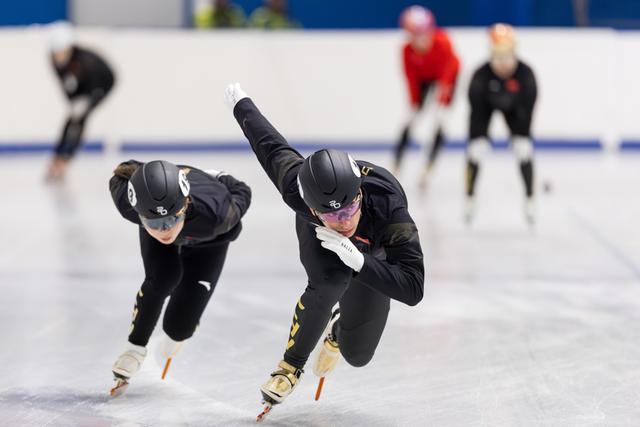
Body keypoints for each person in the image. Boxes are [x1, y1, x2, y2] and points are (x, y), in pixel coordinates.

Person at [224, 83, 424, 420]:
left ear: (360, 195)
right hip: (320, 240)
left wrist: (360, 261)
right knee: (330, 281)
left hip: (373, 251)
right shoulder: (296, 188)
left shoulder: (390, 209)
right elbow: (269, 145)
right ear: (312, 208)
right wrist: (241, 104)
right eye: (332, 215)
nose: (343, 222)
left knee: (358, 355)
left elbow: (413, 289)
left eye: (349, 210)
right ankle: (289, 368)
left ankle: (337, 328)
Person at [108, 159, 251, 396]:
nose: (164, 230)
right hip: (175, 213)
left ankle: (180, 331)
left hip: (208, 241)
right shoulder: (129, 203)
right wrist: (145, 175)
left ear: (185, 204)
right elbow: (122, 172)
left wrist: (218, 176)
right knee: (162, 278)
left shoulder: (218, 213)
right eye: (153, 222)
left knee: (179, 328)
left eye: (172, 219)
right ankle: (133, 349)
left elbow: (243, 190)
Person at [465, 23, 538, 224]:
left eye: (507, 55)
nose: (503, 63)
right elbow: (476, 112)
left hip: (517, 109)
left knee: (523, 148)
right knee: (476, 150)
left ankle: (530, 198)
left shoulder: (526, 75)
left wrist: (520, 134)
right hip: (485, 106)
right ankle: (470, 196)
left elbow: (528, 110)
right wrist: (479, 136)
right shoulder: (480, 77)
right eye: (498, 56)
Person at [394, 5, 460, 188]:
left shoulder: (443, 42)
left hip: (446, 78)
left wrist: (443, 95)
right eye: (414, 34)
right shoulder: (407, 51)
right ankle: (397, 163)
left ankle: (429, 167)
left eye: (423, 33)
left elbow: (449, 70)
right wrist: (415, 101)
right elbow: (410, 78)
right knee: (411, 118)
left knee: (440, 119)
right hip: (423, 79)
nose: (420, 40)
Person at [45, 21, 115, 182]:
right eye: (56, 53)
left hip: (101, 85)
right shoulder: (53, 60)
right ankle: (57, 156)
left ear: (70, 48)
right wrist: (72, 102)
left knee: (81, 118)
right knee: (70, 117)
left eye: (62, 52)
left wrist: (88, 101)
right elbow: (65, 84)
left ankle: (66, 158)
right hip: (81, 88)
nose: (59, 57)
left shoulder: (86, 61)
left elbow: (99, 82)